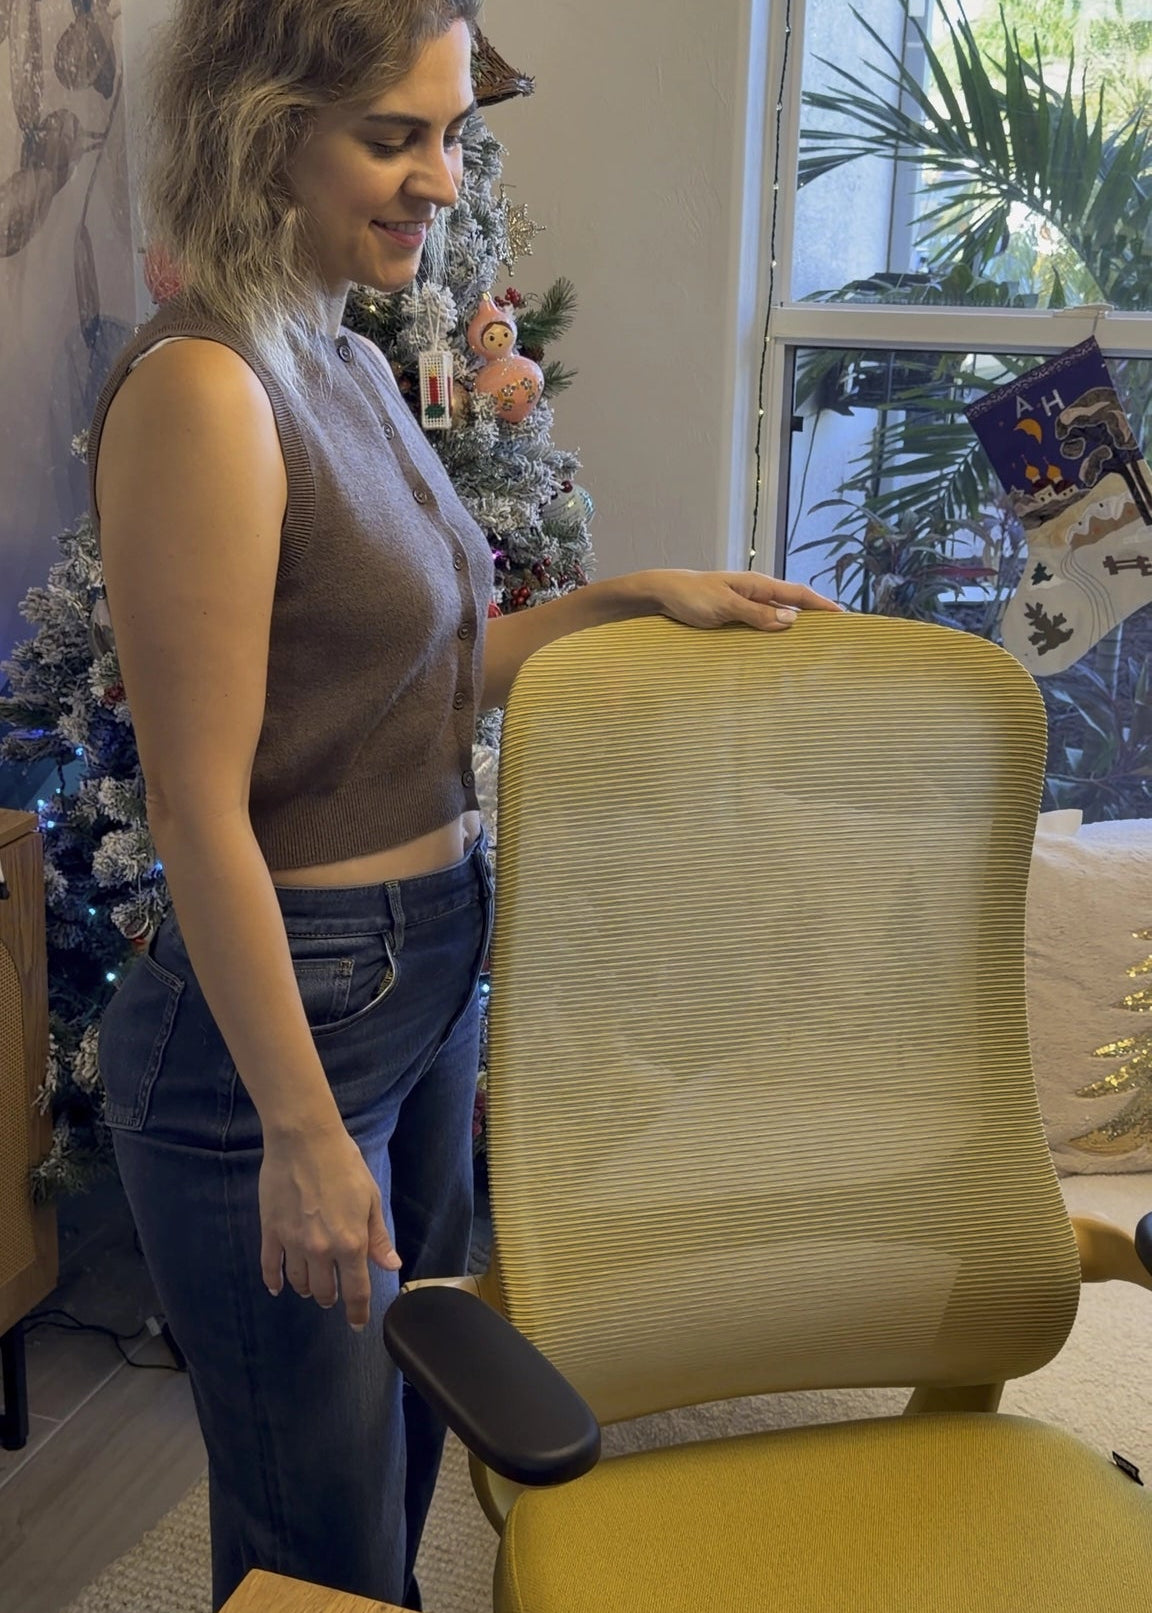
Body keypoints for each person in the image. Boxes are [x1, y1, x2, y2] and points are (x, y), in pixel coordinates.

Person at [89, 2, 842, 1608]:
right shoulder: (206, 392)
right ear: (264, 131)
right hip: (282, 1026)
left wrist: (630, 597)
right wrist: (301, 1129)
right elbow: (197, 808)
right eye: (394, 137)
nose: (441, 177)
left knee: (399, 1453)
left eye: (449, 135)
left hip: (422, 977)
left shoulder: (348, 364)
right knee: (320, 1543)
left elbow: (417, 682)